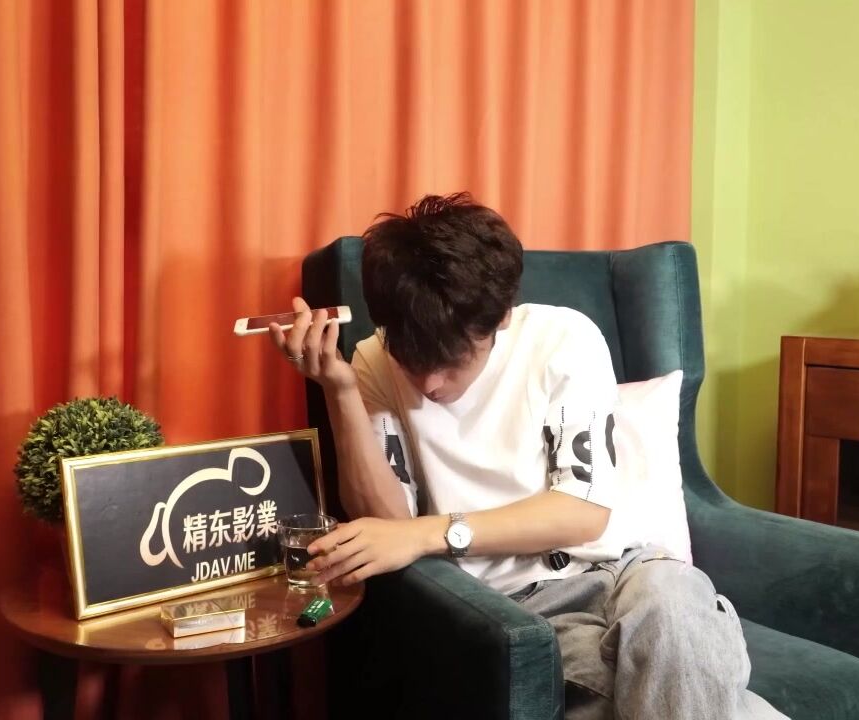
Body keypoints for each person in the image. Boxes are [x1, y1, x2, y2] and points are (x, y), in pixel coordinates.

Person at [268, 193, 786, 720]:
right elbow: (387, 524)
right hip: (522, 607)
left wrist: (430, 533)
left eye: (451, 361)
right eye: (411, 360)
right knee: (672, 688)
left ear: (501, 319)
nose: (430, 383)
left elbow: (580, 513)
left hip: (630, 569)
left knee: (676, 613)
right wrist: (340, 390)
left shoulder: (564, 338)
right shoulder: (372, 360)